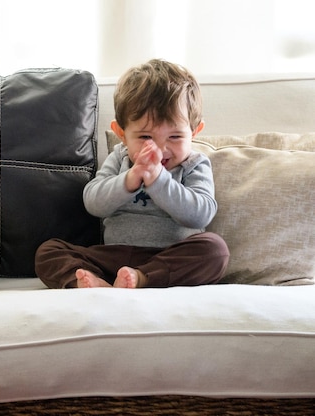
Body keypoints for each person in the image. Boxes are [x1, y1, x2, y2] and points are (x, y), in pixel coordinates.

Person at [34, 59, 229, 289]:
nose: (160, 149)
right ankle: (93, 282)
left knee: (215, 251)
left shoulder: (194, 164)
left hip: (168, 257)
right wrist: (129, 180)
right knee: (48, 252)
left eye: (175, 137)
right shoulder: (121, 158)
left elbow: (200, 214)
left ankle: (143, 278)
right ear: (122, 134)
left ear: (195, 132)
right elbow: (93, 202)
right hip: (112, 256)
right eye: (146, 137)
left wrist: (159, 180)